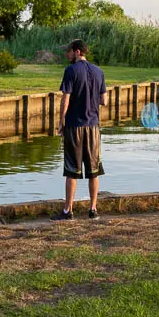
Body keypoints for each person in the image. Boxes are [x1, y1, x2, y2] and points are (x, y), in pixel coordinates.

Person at [51, 39, 107, 221]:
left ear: (76, 52)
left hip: (74, 126)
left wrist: (61, 122)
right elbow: (104, 100)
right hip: (93, 126)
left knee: (71, 170)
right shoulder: (99, 72)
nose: (67, 55)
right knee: (94, 170)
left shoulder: (70, 71)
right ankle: (93, 209)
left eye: (68, 52)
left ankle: (68, 210)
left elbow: (65, 99)